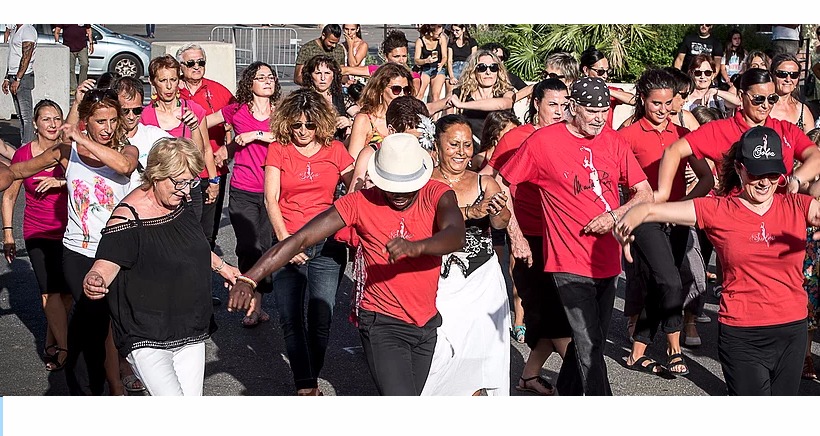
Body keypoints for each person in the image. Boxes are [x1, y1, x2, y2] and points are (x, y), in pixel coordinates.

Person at [228, 133, 465, 396]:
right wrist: (249, 278)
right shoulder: (358, 202)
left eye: (406, 186)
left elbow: (456, 234)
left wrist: (417, 246)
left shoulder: (438, 194)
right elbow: (300, 239)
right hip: (382, 323)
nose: (399, 194)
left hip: (426, 323)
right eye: (392, 186)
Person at [616, 126, 814, 396]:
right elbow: (650, 209)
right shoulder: (718, 210)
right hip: (743, 333)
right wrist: (627, 219)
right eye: (756, 172)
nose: (765, 182)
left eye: (772, 172)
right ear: (740, 168)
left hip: (792, 331)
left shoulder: (797, 206)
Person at [498, 77, 653, 396]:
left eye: (603, 110)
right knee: (588, 345)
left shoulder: (613, 140)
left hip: (608, 263)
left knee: (587, 343)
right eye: (592, 111)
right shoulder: (543, 142)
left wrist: (614, 215)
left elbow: (644, 192)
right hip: (567, 264)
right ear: (573, 108)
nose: (599, 117)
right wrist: (516, 236)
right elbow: (502, 185)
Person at [81, 137, 240, 396]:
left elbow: (193, 244)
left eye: (191, 182)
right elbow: (104, 267)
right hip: (147, 336)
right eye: (179, 183)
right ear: (156, 175)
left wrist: (223, 267)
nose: (187, 191)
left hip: (189, 328)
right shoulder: (128, 218)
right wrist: (95, 279)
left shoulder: (180, 201)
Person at [7, 89, 139, 396]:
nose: (107, 127)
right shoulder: (67, 153)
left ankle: (98, 382)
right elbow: (17, 171)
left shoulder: (126, 149)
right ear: (87, 121)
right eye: (99, 121)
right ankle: (87, 390)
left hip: (115, 253)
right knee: (93, 320)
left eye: (112, 120)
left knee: (105, 324)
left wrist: (81, 138)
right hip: (78, 253)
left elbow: (124, 167)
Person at [617, 68, 714, 377]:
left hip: (676, 219)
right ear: (642, 100)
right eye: (655, 103)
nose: (662, 110)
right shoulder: (627, 136)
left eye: (668, 103)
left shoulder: (684, 135)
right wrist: (622, 220)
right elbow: (611, 183)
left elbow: (707, 178)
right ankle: (673, 347)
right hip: (644, 219)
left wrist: (684, 205)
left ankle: (637, 352)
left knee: (661, 284)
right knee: (670, 281)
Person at [480, 78, 572, 394]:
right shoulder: (516, 138)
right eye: (553, 105)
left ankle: (529, 376)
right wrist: (509, 229)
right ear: (536, 104)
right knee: (555, 313)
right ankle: (584, 378)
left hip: (562, 237)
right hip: (528, 238)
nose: (560, 112)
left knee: (555, 311)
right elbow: (488, 179)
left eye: (564, 105)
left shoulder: (569, 137)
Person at [263, 88, 353, 396]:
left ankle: (308, 377)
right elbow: (270, 198)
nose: (302, 131)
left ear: (321, 123)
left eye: (309, 125)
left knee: (321, 319)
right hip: (287, 241)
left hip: (327, 245)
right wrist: (286, 242)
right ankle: (306, 386)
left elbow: (357, 186)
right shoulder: (278, 149)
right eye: (296, 125)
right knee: (289, 318)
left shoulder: (336, 151)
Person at [420, 114, 511, 396]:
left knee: (484, 349)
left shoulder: (484, 181)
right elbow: (423, 219)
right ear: (437, 147)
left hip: (483, 279)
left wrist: (497, 211)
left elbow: (501, 223)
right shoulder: (424, 181)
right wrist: (470, 212)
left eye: (466, 145)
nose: (461, 152)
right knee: (442, 347)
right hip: (439, 278)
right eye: (453, 145)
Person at [656, 69, 820, 205]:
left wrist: (797, 179)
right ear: (741, 96)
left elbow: (815, 156)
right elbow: (673, 150)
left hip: (778, 218)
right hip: (734, 218)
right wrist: (664, 195)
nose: (765, 105)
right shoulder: (720, 129)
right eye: (758, 99)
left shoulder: (785, 130)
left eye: (772, 99)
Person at [205, 61, 280, 327]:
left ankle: (256, 301)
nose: (268, 81)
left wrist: (255, 135)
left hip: (273, 190)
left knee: (266, 247)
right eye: (261, 77)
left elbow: (288, 136)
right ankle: (253, 305)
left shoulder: (281, 111)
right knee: (249, 245)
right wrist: (219, 150)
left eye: (270, 77)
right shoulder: (236, 110)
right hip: (243, 188)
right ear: (250, 83)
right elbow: (203, 122)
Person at [1, 100, 72, 372]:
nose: (52, 124)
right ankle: (65, 349)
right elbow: (10, 195)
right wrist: (9, 234)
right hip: (37, 231)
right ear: (35, 123)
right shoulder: (23, 155)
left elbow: (82, 180)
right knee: (48, 292)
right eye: (46, 119)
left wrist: (61, 181)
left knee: (67, 293)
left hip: (70, 230)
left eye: (57, 118)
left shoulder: (68, 150)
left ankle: (51, 338)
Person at [139, 55, 219, 223]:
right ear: (152, 82)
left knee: (193, 239)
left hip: (190, 188)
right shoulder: (145, 116)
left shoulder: (194, 110)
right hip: (159, 189)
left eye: (173, 80)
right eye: (162, 80)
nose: (169, 86)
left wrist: (213, 180)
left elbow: (204, 150)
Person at [177, 43, 237, 251]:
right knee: (180, 233)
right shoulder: (172, 92)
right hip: (181, 173)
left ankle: (204, 280)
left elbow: (242, 117)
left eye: (201, 62)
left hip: (213, 171)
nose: (196, 66)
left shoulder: (218, 90)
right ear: (181, 66)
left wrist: (228, 149)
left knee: (207, 234)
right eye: (191, 63)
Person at [445, 50, 515, 148]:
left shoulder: (506, 92)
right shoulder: (462, 94)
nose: (488, 72)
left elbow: (504, 104)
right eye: (482, 68)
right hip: (471, 153)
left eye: (493, 68)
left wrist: (462, 105)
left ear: (498, 71)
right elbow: (443, 110)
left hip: (502, 151)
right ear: (474, 71)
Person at [347, 63, 414, 160]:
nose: (402, 95)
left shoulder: (410, 119)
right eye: (396, 89)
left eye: (406, 90)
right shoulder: (365, 120)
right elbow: (353, 160)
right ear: (381, 89)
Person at [341, 29, 422, 93]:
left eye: (404, 56)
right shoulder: (377, 72)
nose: (401, 60)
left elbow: (413, 96)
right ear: (386, 57)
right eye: (396, 56)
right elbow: (346, 70)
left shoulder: (413, 77)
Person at [300, 55, 357, 141]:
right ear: (310, 76)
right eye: (318, 73)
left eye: (327, 73)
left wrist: (350, 121)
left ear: (333, 76)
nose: (323, 78)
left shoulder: (341, 97)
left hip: (338, 144)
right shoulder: (302, 98)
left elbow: (362, 115)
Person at [579, 46, 635, 128]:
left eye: (607, 71)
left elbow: (634, 100)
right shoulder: (577, 90)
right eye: (600, 71)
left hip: (605, 138)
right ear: (586, 70)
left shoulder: (609, 91)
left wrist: (607, 91)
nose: (605, 76)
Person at [3, 24, 37, 145]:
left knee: (26, 115)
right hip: (13, 76)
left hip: (23, 77)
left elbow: (26, 56)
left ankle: (27, 145)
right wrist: (7, 78)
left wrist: (18, 78)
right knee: (20, 115)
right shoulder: (15, 30)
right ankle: (24, 142)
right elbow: (13, 56)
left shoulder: (27, 30)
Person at [769, 53, 815, 133]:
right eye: (782, 74)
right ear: (772, 75)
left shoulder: (802, 110)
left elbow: (812, 142)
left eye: (794, 75)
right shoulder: (762, 106)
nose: (788, 79)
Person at [53, 25, 94, 96]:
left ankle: (82, 86)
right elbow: (57, 30)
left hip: (82, 46)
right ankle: (73, 88)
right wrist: (57, 42)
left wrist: (91, 43)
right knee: (71, 69)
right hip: (69, 47)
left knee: (85, 64)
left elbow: (88, 29)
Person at [414, 24, 448, 103]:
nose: (440, 35)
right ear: (431, 33)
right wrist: (426, 60)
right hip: (426, 69)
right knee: (420, 93)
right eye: (438, 34)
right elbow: (416, 60)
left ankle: (433, 114)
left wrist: (441, 64)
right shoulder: (420, 41)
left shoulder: (441, 39)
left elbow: (445, 56)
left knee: (435, 95)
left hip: (438, 69)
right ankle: (413, 112)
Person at [445, 25, 477, 97]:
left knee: (466, 94)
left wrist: (471, 73)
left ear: (463, 30)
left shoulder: (471, 42)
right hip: (455, 67)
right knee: (450, 95)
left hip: (467, 67)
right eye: (453, 30)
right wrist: (451, 76)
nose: (454, 33)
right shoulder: (451, 42)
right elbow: (449, 60)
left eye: (457, 30)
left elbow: (473, 58)